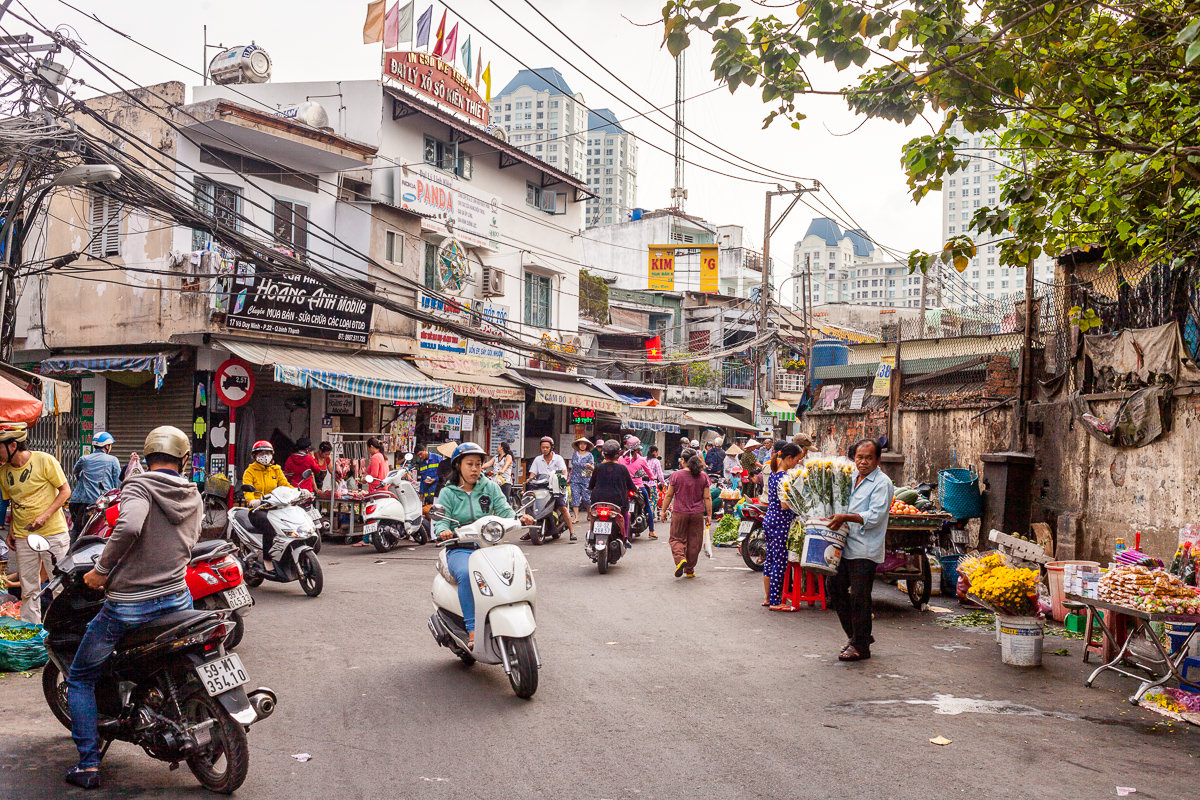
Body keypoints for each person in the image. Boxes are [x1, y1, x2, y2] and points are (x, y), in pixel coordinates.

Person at [64, 426, 200, 790]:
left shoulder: (139, 485)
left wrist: (101, 571)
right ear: (183, 460)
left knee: (79, 678)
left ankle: (88, 765)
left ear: (147, 455)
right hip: (177, 596)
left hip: (130, 605)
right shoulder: (191, 492)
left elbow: (128, 528)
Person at [433, 442, 534, 650]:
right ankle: (472, 628)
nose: (475, 469)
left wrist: (519, 518)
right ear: (458, 465)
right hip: (460, 548)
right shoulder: (448, 492)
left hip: (489, 546)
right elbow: (441, 519)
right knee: (465, 573)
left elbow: (505, 511)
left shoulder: (490, 487)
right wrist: (443, 530)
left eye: (478, 464)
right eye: (469, 464)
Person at [826, 438, 894, 662]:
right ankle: (857, 636)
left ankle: (860, 646)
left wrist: (846, 517)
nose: (863, 462)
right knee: (834, 586)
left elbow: (875, 517)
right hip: (845, 545)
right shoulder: (850, 478)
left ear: (878, 460)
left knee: (859, 596)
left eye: (868, 458)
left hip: (866, 548)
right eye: (859, 457)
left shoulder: (882, 483)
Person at [0, 421, 72, 623]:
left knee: (59, 584)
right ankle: (31, 630)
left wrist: (45, 515)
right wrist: (12, 529)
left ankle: (62, 628)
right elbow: (15, 502)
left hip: (53, 533)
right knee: (28, 587)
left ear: (12, 445)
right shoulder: (3, 472)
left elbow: (65, 490)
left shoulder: (44, 460)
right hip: (24, 536)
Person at [763, 442, 803, 610]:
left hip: (770, 519)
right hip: (780, 521)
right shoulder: (784, 478)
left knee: (770, 560)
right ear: (788, 458)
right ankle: (775, 602)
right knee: (780, 561)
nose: (797, 463)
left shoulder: (774, 475)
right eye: (797, 460)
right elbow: (785, 504)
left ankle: (768, 598)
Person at [661, 452, 712, 578]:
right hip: (697, 514)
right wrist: (709, 515)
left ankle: (680, 559)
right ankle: (690, 569)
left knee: (676, 538)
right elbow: (707, 497)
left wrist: (663, 511)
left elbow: (669, 495)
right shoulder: (703, 476)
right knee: (694, 541)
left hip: (679, 513)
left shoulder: (676, 475)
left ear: (684, 461)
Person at [241, 440, 292, 562]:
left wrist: (299, 491)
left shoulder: (276, 470)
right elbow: (247, 491)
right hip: (258, 510)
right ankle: (267, 559)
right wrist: (252, 500)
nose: (264, 456)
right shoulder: (250, 471)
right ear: (254, 456)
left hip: (276, 508)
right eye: (261, 453)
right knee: (270, 527)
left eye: (267, 453)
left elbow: (285, 485)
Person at [70, 432, 122, 537]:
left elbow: (76, 472)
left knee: (77, 530)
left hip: (81, 502)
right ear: (107, 446)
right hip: (103, 502)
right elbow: (118, 481)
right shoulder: (112, 460)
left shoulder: (84, 459)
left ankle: (72, 551)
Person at [587, 440, 637, 546]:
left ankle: (591, 535)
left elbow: (591, 486)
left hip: (598, 501)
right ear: (618, 454)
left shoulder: (598, 468)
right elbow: (631, 486)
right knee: (626, 514)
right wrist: (635, 488)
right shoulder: (622, 469)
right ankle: (626, 538)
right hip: (618, 503)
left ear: (604, 454)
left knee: (593, 516)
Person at [525, 436, 570, 540]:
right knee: (529, 505)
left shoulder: (558, 458)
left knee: (562, 506)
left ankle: (572, 531)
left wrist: (564, 478)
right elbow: (532, 474)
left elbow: (564, 471)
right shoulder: (537, 459)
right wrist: (529, 479)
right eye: (543, 447)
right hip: (540, 488)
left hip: (555, 488)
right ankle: (530, 530)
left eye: (547, 447)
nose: (545, 449)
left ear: (551, 448)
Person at [619, 437, 656, 540]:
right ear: (637, 449)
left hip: (624, 488)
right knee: (647, 506)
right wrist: (652, 477)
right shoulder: (641, 460)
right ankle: (652, 531)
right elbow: (650, 473)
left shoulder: (620, 459)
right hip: (638, 487)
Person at [568, 438, 593, 525]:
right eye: (581, 444)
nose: (582, 445)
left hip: (586, 477)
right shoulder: (575, 454)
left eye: (584, 444)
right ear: (578, 445)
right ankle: (576, 517)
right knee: (575, 496)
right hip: (575, 478)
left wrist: (589, 466)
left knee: (587, 498)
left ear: (587, 445)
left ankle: (589, 513)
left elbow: (592, 467)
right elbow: (573, 465)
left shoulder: (590, 455)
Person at [645, 445, 666, 514]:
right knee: (653, 499)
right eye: (657, 452)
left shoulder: (644, 459)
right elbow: (660, 475)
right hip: (651, 485)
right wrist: (663, 483)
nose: (657, 454)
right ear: (654, 452)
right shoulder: (656, 461)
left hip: (641, 485)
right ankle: (650, 515)